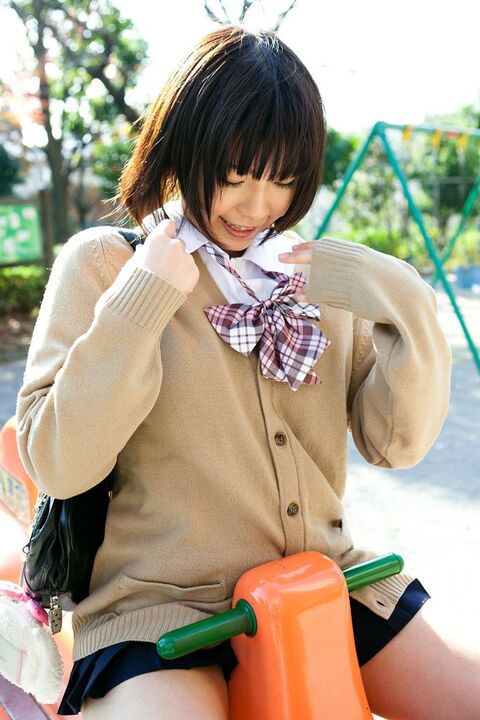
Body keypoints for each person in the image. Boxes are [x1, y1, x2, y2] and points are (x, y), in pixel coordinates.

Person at [15, 25, 478, 720]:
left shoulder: (318, 275)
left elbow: (398, 445)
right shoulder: (106, 264)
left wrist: (405, 301)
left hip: (328, 582)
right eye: (235, 175)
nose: (257, 208)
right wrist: (143, 300)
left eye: (282, 180)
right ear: (185, 147)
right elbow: (57, 462)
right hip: (159, 613)